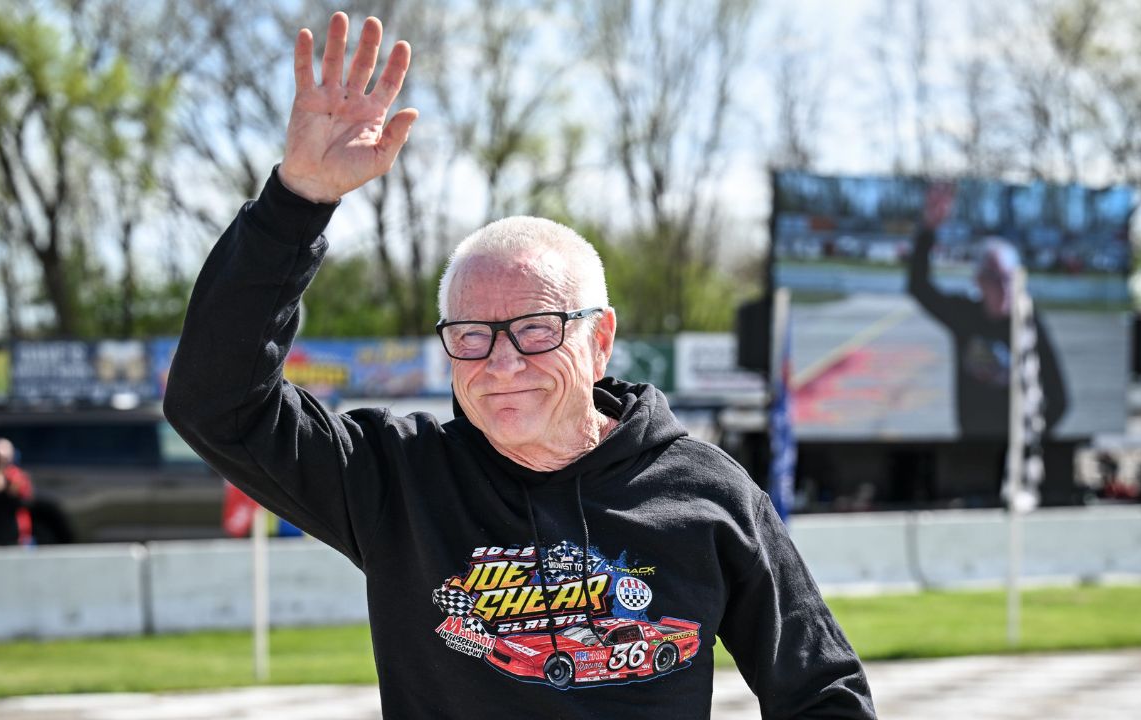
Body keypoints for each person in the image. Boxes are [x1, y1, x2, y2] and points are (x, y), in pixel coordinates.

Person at [164, 13, 875, 719]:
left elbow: (823, 693)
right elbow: (216, 402)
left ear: (599, 342)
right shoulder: (396, 479)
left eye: (535, 329)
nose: (501, 363)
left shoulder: (707, 494)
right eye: (471, 335)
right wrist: (297, 201)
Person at [907, 185, 1068, 440]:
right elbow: (918, 287)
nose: (1004, 287)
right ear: (979, 280)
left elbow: (1059, 400)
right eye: (994, 278)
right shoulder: (965, 317)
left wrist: (1030, 436)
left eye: (1009, 278)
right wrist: (928, 229)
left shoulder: (1029, 323)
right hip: (971, 445)